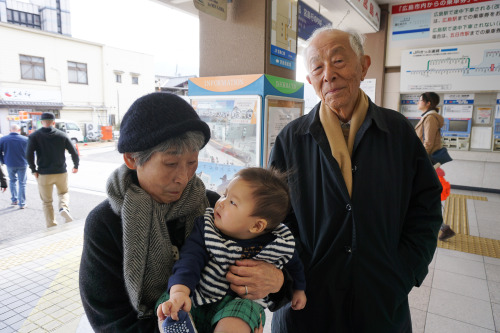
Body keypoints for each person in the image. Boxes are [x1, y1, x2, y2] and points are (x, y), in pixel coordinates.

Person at [268, 27, 443, 332]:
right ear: (310, 80)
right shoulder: (291, 139)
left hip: (379, 301)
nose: (329, 75)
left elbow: (426, 207)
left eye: (338, 61)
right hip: (307, 301)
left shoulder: (398, 132)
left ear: (364, 65)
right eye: (318, 67)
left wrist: (404, 272)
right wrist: (287, 277)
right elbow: (273, 219)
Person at [79, 92, 287, 333]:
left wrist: (278, 281)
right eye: (170, 164)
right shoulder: (105, 223)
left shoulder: (214, 207)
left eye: (192, 162)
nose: (184, 177)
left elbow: (272, 253)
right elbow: (111, 322)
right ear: (132, 159)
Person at [157, 167, 307, 333]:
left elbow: (295, 266)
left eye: (232, 202)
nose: (221, 203)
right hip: (198, 296)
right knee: (170, 303)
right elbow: (190, 259)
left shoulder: (279, 242)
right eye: (224, 195)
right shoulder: (207, 228)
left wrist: (299, 290)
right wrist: (180, 291)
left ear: (257, 225)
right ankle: (178, 323)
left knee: (241, 316)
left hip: (239, 304)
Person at [414, 92, 456, 241]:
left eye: (419, 100)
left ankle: (442, 227)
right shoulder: (428, 117)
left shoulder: (430, 118)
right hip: (428, 163)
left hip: (427, 163)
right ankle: (443, 227)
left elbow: (428, 143)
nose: (417, 103)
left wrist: (419, 162)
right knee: (426, 195)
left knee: (426, 195)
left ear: (428, 103)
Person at [26, 112, 79, 227]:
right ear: (53, 122)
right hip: (61, 172)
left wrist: (33, 170)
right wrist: (76, 166)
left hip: (44, 174)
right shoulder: (62, 135)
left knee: (47, 202)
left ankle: (51, 225)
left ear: (41, 122)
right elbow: (74, 152)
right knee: (63, 193)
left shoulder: (34, 136)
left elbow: (28, 154)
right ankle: (63, 208)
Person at [0, 124, 29, 208]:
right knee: (22, 183)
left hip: (9, 163)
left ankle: (14, 200)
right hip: (22, 164)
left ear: (10, 130)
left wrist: (3, 160)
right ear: (19, 130)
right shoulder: (26, 139)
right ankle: (22, 203)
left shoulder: (3, 139)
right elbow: (31, 152)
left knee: (12, 181)